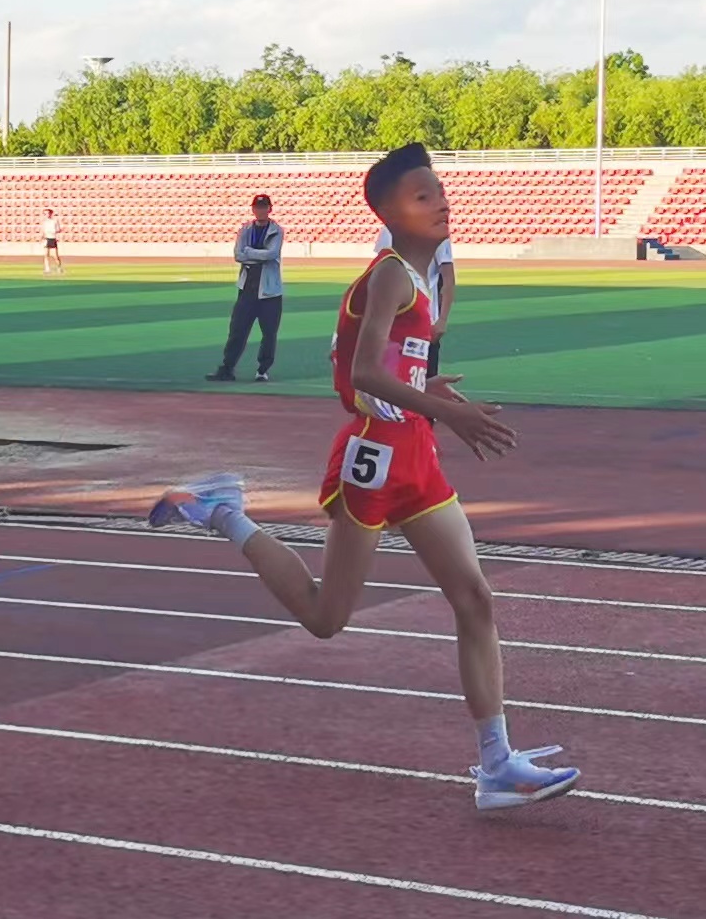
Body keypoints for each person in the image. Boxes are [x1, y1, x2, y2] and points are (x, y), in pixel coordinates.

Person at [150, 143, 579, 811]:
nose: (439, 202)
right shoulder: (389, 276)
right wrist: (447, 413)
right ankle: (222, 510)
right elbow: (362, 378)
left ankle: (496, 764)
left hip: (415, 454)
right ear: (385, 212)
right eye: (421, 196)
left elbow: (385, 366)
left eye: (438, 190)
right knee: (327, 616)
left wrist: (431, 388)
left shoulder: (419, 274)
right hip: (374, 458)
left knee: (474, 599)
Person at [207, 195, 283, 383]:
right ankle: (227, 368)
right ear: (253, 209)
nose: (261, 210)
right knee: (237, 331)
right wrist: (257, 255)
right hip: (247, 289)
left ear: (270, 209)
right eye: (258, 207)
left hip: (269, 292)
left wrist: (250, 252)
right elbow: (238, 255)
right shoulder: (245, 229)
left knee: (269, 333)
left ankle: (262, 370)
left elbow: (271, 254)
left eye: (264, 207)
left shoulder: (276, 230)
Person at [377, 222, 453, 376]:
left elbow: (448, 279)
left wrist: (442, 320)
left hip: (426, 319)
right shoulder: (388, 230)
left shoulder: (436, 232)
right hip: (395, 319)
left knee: (425, 379)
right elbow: (380, 270)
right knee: (393, 377)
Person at [42, 208, 63, 275]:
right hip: (46, 238)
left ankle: (59, 267)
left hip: (52, 238)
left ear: (51, 214)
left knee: (55, 256)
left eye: (47, 213)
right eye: (45, 214)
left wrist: (54, 231)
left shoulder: (55, 221)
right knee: (46, 255)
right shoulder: (44, 222)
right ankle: (47, 269)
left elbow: (59, 229)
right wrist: (42, 237)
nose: (46, 215)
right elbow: (43, 231)